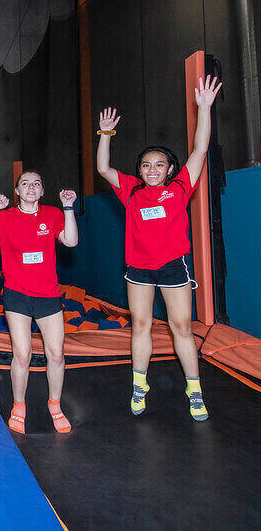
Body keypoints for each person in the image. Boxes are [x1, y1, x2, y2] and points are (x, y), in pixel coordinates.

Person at [95, 75, 221, 422]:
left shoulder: (180, 187)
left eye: (159, 165)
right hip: (138, 269)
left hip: (172, 267)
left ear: (169, 170)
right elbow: (103, 168)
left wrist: (204, 109)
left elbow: (199, 150)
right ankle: (140, 385)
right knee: (141, 325)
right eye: (146, 165)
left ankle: (194, 389)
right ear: (140, 170)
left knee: (181, 327)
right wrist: (105, 134)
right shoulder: (131, 190)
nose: (152, 170)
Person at [0, 173, 79, 434]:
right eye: (25, 183)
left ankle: (55, 404)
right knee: (22, 354)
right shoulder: (5, 218)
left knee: (56, 354)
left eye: (37, 183)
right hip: (17, 294)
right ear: (16, 190)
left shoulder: (52, 214)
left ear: (42, 191)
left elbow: (71, 241)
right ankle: (19, 405)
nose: (31, 187)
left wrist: (68, 208)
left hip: (48, 294)